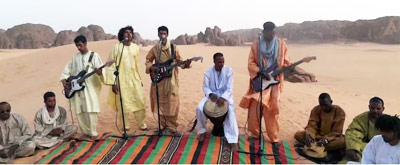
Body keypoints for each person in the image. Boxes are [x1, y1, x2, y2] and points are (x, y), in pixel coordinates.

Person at [239, 21, 291, 146]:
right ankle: (255, 134)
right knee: (254, 108)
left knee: (272, 109)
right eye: (270, 32)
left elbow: (287, 61)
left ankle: (273, 138)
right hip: (260, 81)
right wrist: (260, 71)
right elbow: (251, 63)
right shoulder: (256, 45)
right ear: (264, 32)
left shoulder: (281, 44)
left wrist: (286, 66)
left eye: (274, 31)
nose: (273, 34)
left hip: (274, 82)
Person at [145, 26, 191, 134]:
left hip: (171, 81)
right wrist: (151, 67)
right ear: (158, 35)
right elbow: (148, 60)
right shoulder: (155, 49)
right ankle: (163, 126)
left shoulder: (174, 48)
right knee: (160, 103)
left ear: (167, 34)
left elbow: (180, 61)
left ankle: (172, 126)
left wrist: (186, 64)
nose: (162, 35)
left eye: (164, 33)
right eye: (160, 33)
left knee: (172, 104)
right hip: (159, 81)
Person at [60, 35, 104, 140]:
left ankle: (93, 133)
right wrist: (64, 81)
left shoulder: (94, 56)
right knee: (80, 111)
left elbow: (102, 72)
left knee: (91, 109)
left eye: (80, 45)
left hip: (90, 88)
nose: (78, 48)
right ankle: (85, 132)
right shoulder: (75, 57)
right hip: (76, 88)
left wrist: (100, 73)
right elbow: (66, 70)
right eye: (77, 46)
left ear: (85, 43)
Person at [105, 26, 147, 131]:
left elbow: (137, 64)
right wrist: (113, 83)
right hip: (121, 80)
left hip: (134, 79)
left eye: (130, 32)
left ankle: (142, 124)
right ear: (122, 35)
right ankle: (126, 126)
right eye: (126, 32)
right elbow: (111, 66)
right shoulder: (117, 48)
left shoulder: (135, 48)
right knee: (123, 104)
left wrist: (139, 79)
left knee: (139, 101)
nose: (128, 34)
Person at [196, 53, 239, 150]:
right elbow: (205, 87)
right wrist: (210, 94)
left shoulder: (229, 71)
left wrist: (224, 98)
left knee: (231, 111)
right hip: (211, 96)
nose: (222, 64)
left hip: (226, 96)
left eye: (223, 61)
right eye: (219, 62)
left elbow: (229, 89)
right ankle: (202, 131)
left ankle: (233, 140)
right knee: (199, 108)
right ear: (214, 62)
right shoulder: (208, 73)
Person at [294, 93, 346, 161]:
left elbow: (337, 131)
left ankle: (315, 146)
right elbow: (312, 125)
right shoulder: (316, 109)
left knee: (343, 142)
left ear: (331, 102)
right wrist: (309, 135)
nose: (323, 107)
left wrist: (326, 139)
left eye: (326, 105)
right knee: (298, 135)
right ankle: (318, 146)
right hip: (316, 136)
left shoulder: (339, 111)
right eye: (321, 105)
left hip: (331, 138)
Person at [340, 97, 384, 163]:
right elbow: (353, 132)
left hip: (381, 149)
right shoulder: (361, 119)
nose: (375, 111)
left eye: (378, 109)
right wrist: (353, 147)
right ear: (369, 107)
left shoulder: (388, 121)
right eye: (373, 108)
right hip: (362, 147)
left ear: (383, 109)